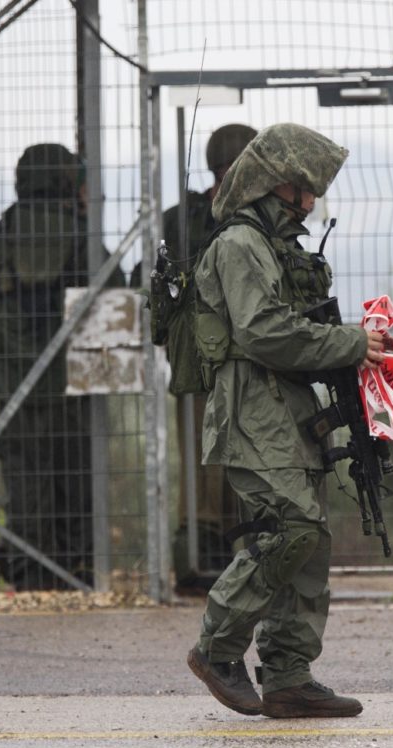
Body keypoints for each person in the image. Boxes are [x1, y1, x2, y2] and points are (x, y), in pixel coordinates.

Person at [185, 123, 387, 718]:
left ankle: (288, 675)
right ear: (279, 186)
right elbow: (262, 331)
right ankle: (216, 650)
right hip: (253, 414)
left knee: (312, 541)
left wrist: (350, 349)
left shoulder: (279, 246)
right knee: (290, 529)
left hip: (289, 413)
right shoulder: (241, 244)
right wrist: (348, 344)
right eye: (304, 187)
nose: (312, 200)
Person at [0, 144, 106, 591]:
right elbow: (114, 304)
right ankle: (77, 575)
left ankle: (29, 579)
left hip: (14, 387)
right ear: (64, 180)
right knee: (76, 480)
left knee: (25, 485)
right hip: (75, 388)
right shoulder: (84, 239)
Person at [164, 123, 258, 596]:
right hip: (199, 364)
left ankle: (245, 560)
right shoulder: (182, 220)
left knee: (246, 466)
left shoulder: (263, 218)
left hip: (256, 361)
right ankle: (199, 563)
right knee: (203, 468)